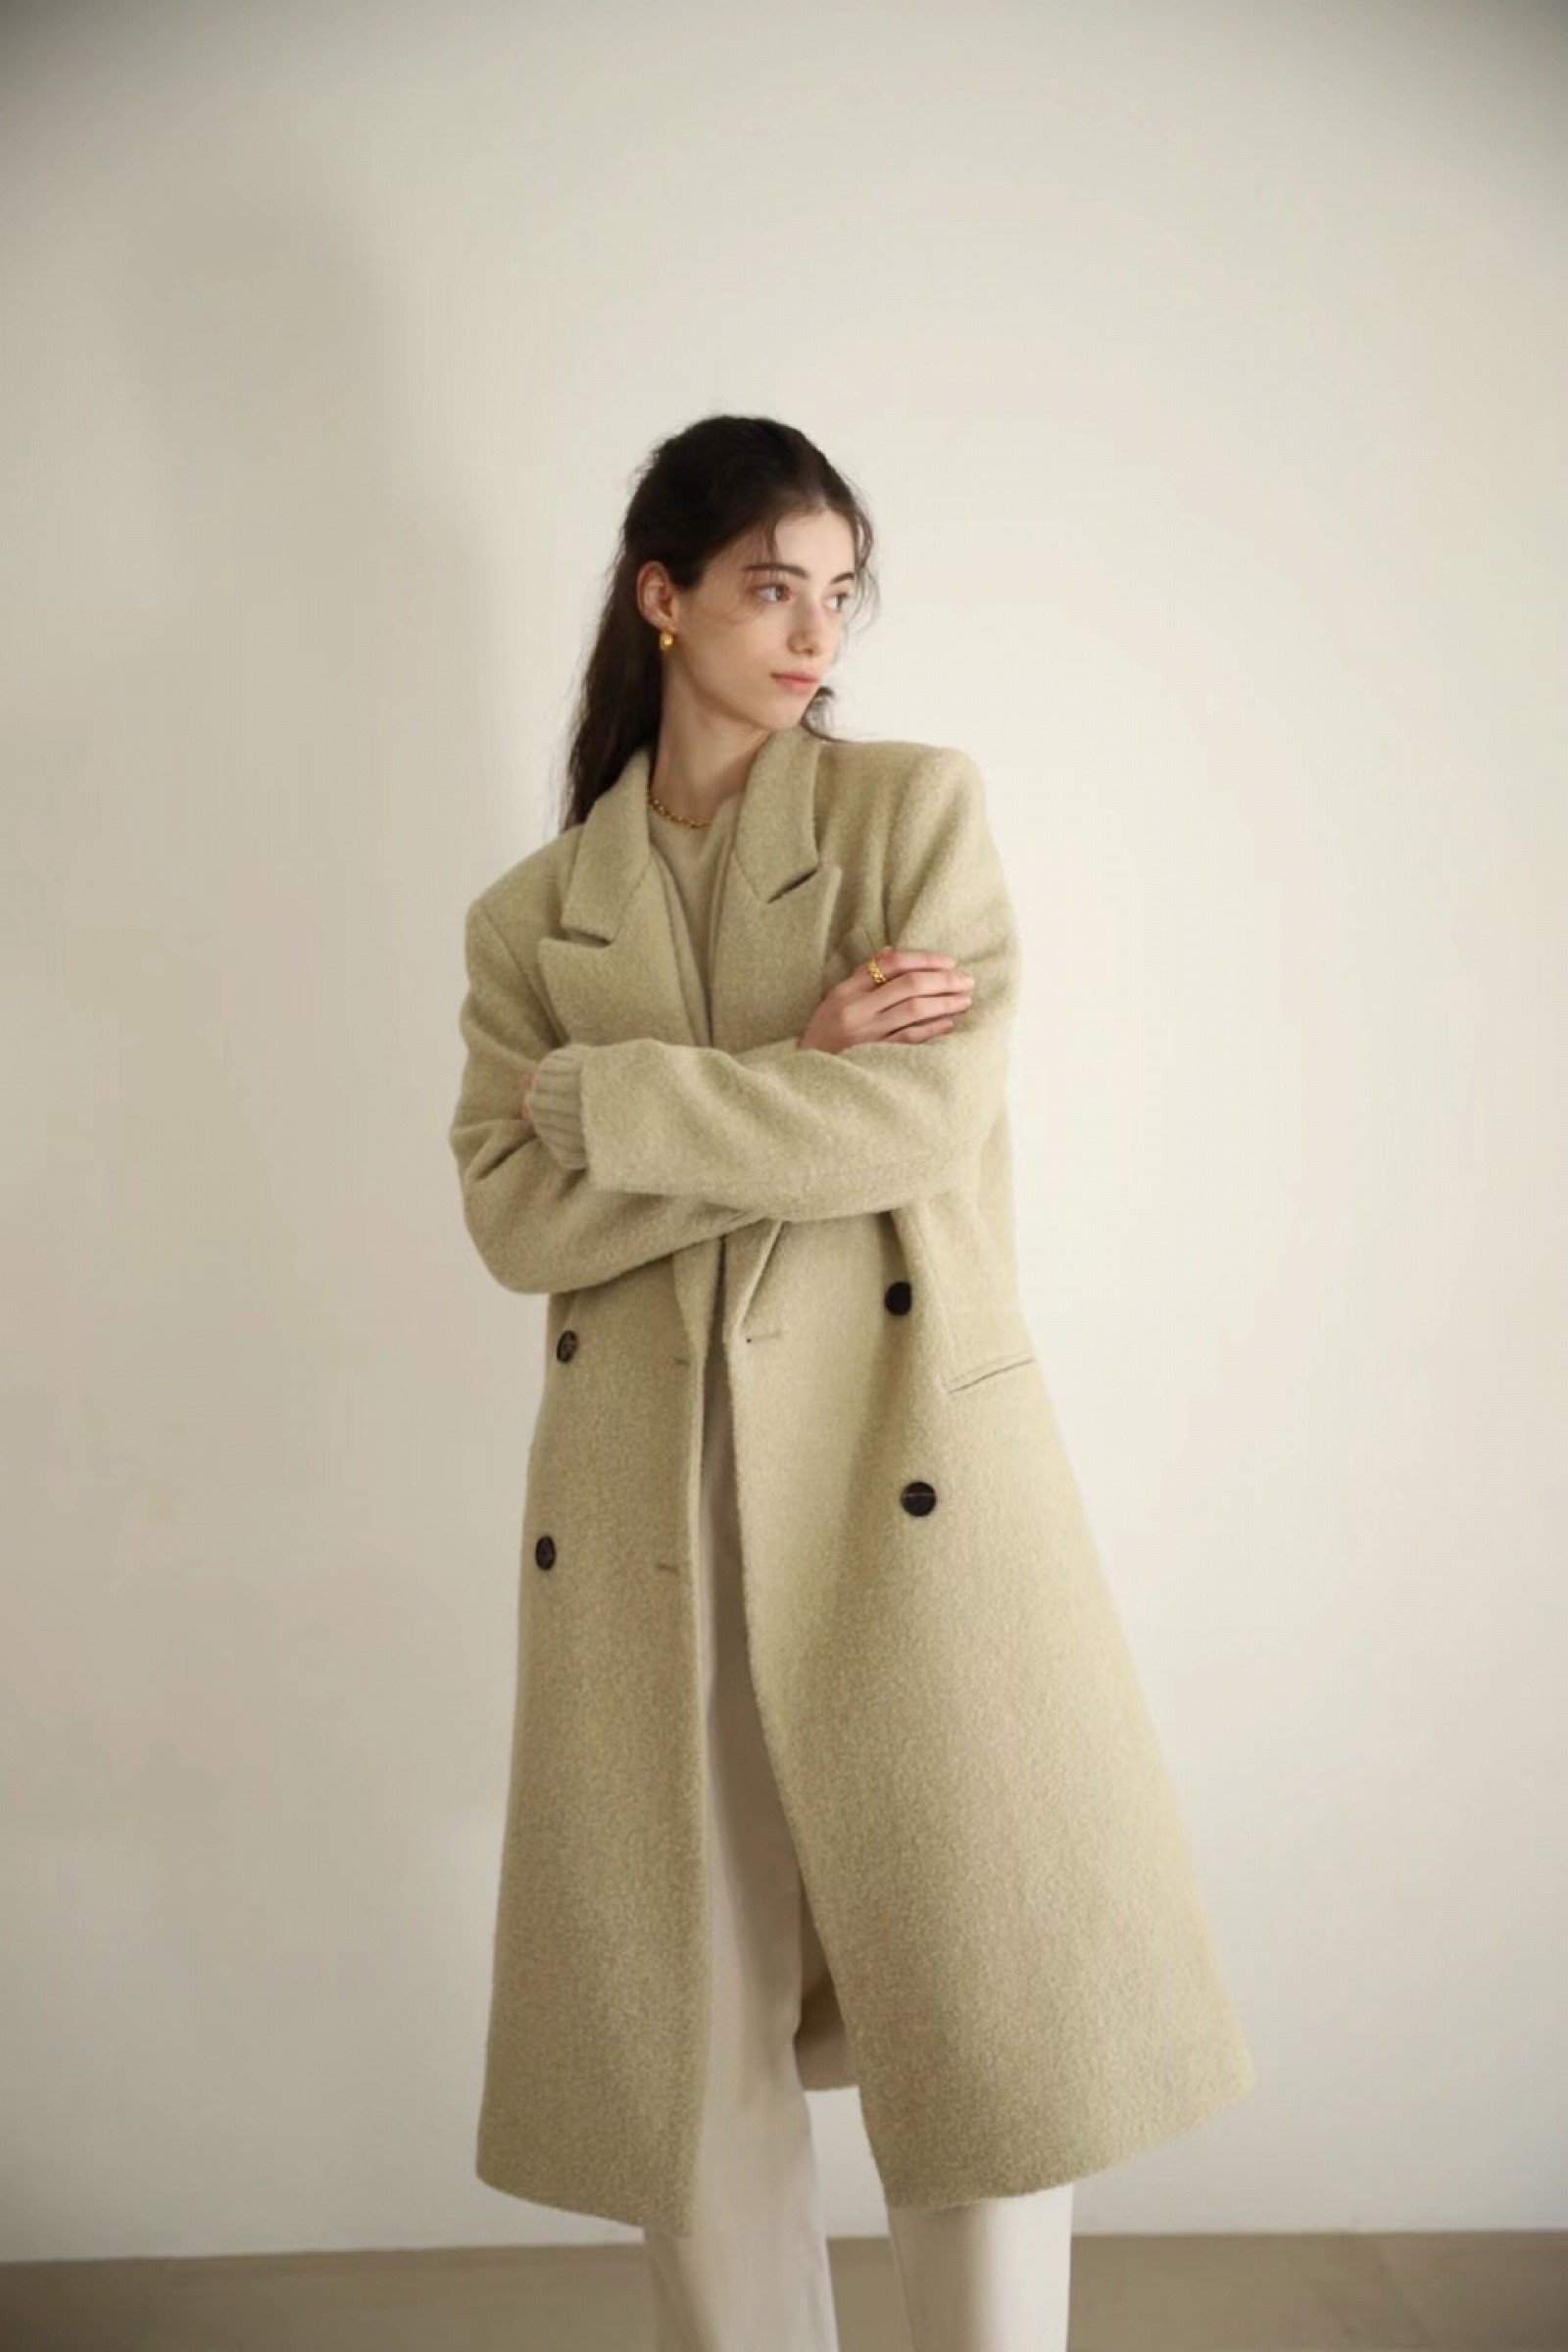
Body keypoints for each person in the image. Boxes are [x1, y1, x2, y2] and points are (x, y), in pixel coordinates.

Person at [448, 414, 1254, 2351]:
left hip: (904, 1490)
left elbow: (912, 1123)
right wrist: (793, 1077)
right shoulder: (532, 914)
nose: (816, 633)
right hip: (651, 1518)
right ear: (663, 600)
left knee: (980, 2009)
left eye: (838, 592)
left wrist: (618, 1105)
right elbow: (510, 1217)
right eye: (768, 588)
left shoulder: (909, 813)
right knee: (690, 2031)